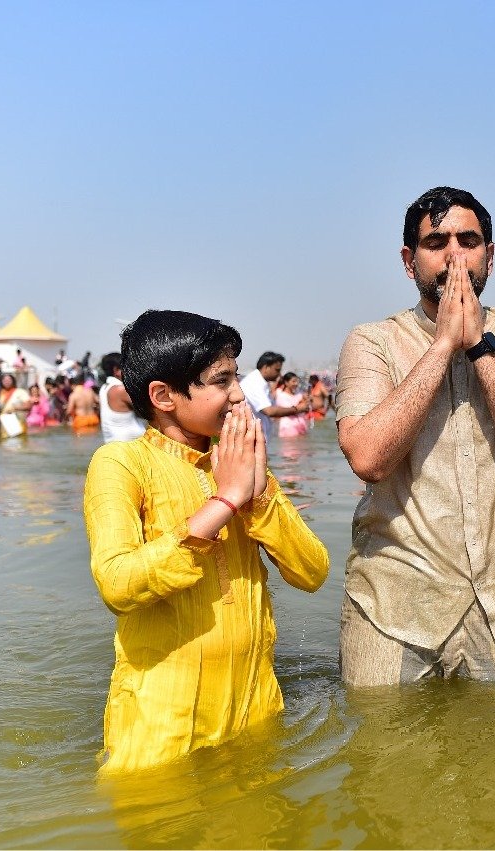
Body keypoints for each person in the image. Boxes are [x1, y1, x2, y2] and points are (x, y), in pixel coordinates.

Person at [334, 185, 495, 689]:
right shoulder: (372, 341)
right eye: (436, 242)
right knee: (383, 757)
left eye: (468, 241)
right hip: (395, 599)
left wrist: (479, 349)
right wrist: (443, 344)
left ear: (490, 255)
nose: (454, 256)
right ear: (408, 259)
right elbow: (369, 459)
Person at [83, 309, 329, 774]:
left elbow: (312, 572)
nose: (239, 394)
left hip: (256, 710)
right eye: (222, 381)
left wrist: (255, 499)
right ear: (163, 395)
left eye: (236, 377)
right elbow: (117, 584)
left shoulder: (238, 463)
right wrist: (224, 502)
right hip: (164, 731)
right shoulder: (120, 464)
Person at [239, 351, 308, 442]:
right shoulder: (254, 383)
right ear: (266, 367)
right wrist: (298, 409)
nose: (279, 374)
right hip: (251, 440)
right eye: (277, 370)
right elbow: (270, 411)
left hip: (259, 438)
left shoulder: (262, 383)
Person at [98, 352, 146, 443]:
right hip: (130, 444)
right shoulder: (120, 390)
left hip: (113, 443)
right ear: (116, 370)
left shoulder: (104, 388)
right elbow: (148, 410)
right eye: (127, 367)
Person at [274, 373, 309, 437]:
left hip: (301, 424)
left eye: (297, 381)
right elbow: (288, 410)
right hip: (288, 426)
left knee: (303, 446)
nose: (296, 384)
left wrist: (306, 401)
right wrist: (301, 405)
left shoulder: (299, 394)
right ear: (286, 382)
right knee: (290, 446)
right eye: (293, 381)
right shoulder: (281, 394)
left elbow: (306, 408)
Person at [0, 373, 31, 438]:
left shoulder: (20, 392)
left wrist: (16, 408)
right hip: (4, 425)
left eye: (9, 380)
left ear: (13, 381)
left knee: (19, 443)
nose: (7, 382)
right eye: (4, 380)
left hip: (18, 423)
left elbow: (28, 406)